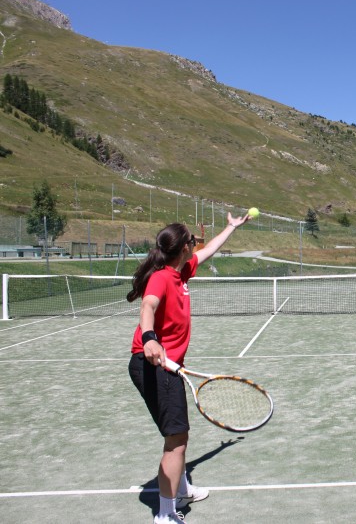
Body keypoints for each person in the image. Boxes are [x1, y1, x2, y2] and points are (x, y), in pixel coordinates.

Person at [127, 213, 249, 524]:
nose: (197, 245)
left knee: (179, 437)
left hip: (169, 367)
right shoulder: (161, 278)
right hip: (152, 363)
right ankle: (166, 514)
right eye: (193, 240)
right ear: (184, 247)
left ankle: (181, 489)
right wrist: (151, 338)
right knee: (176, 440)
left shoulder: (181, 272)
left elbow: (210, 251)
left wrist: (231, 227)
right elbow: (147, 307)